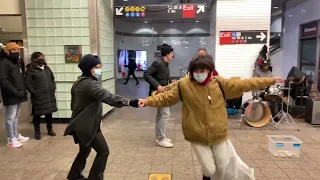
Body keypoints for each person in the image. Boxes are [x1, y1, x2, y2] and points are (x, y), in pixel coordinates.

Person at [138, 55, 283, 180]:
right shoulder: (184, 85)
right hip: (196, 134)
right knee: (209, 169)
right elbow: (166, 98)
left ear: (209, 71)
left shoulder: (220, 83)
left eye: (202, 70)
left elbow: (245, 83)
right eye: (196, 71)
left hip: (218, 134)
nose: (199, 73)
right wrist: (147, 101)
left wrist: (269, 80)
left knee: (223, 166)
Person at [64, 54, 139, 180]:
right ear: (89, 69)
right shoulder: (89, 84)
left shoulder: (79, 81)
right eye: (97, 67)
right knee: (103, 151)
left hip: (82, 124)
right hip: (86, 126)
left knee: (84, 150)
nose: (99, 69)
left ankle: (74, 175)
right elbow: (107, 96)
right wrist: (129, 102)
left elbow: (73, 105)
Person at [143, 43, 174, 148]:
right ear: (167, 54)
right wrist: (158, 86)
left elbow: (163, 76)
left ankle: (160, 136)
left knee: (161, 114)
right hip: (158, 93)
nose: (173, 55)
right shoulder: (158, 63)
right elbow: (146, 74)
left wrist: (171, 81)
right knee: (165, 114)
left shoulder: (165, 64)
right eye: (172, 53)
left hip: (164, 93)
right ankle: (161, 138)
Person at [0, 42, 29, 148]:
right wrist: (14, 91)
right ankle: (11, 139)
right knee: (10, 117)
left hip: (18, 93)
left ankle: (16, 135)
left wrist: (22, 91)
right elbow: (3, 80)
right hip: (10, 94)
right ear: (7, 51)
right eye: (13, 50)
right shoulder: (4, 63)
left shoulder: (16, 62)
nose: (16, 52)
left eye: (17, 50)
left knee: (16, 116)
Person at [25, 52, 57, 140]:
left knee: (49, 113)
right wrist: (34, 92)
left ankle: (50, 130)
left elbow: (52, 78)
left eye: (43, 57)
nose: (42, 59)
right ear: (34, 59)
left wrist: (53, 87)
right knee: (37, 114)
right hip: (38, 96)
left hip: (49, 95)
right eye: (40, 57)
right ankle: (37, 132)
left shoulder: (46, 68)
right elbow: (27, 83)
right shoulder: (30, 70)